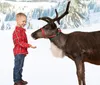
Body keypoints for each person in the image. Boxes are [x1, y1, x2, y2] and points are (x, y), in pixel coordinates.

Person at [12, 12, 36, 85]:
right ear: (17, 21)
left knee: (20, 67)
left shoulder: (22, 31)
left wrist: (25, 51)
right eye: (23, 21)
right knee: (17, 67)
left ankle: (19, 79)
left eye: (25, 21)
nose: (24, 23)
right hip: (18, 52)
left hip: (22, 52)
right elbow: (19, 42)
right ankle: (16, 81)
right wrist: (29, 45)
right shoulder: (17, 31)